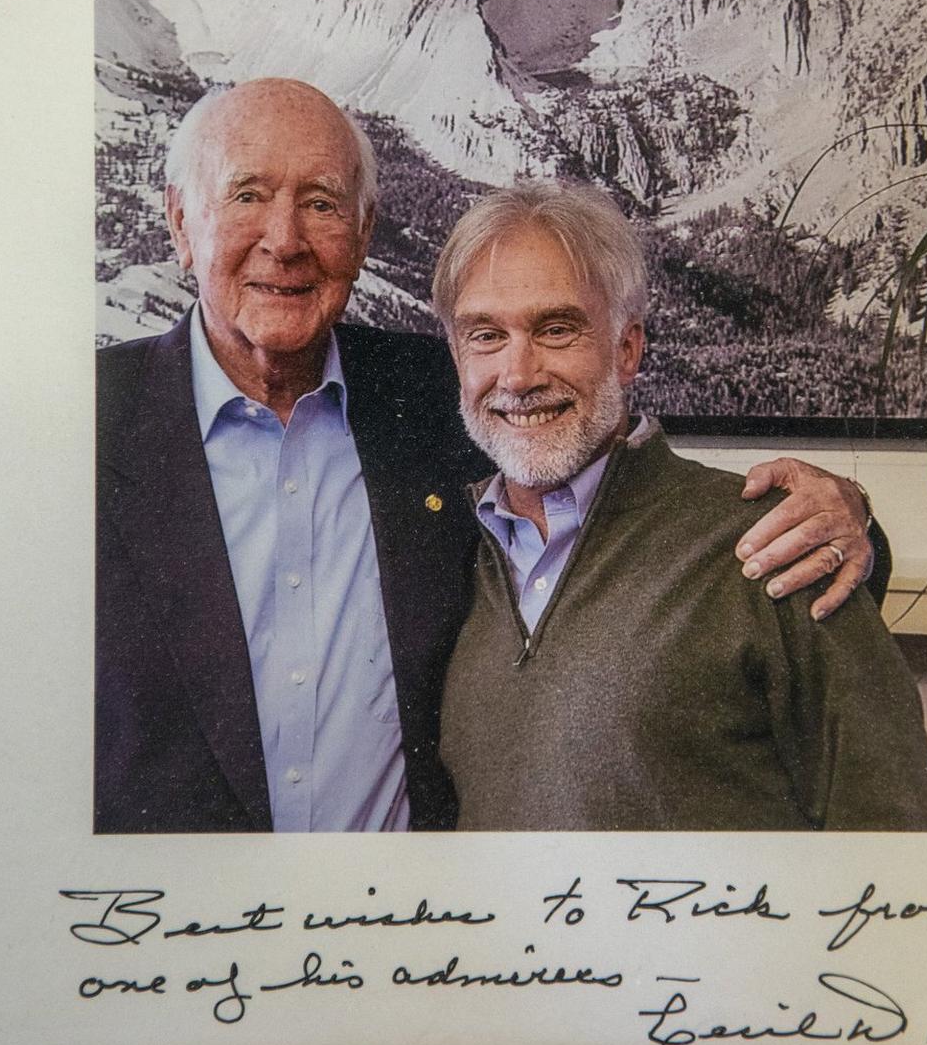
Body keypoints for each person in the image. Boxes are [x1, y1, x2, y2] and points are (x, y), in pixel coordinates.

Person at [96, 78, 886, 833]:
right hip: (175, 940)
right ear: (179, 223)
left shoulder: (437, 393)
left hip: (413, 938)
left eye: (322, 203)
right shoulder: (76, 428)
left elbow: (617, 474)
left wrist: (847, 516)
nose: (286, 240)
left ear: (364, 233)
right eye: (246, 195)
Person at [434, 181, 927, 830]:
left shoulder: (773, 542)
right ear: (456, 354)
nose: (517, 374)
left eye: (556, 328)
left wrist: (858, 513)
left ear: (627, 347)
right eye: (486, 334)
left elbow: (900, 835)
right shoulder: (448, 546)